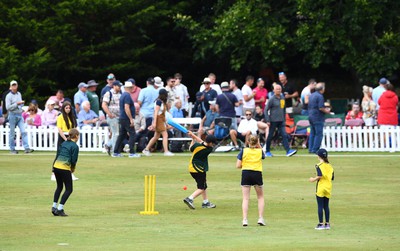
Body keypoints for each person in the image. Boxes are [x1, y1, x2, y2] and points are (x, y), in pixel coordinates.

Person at [236, 135, 266, 227]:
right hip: (257, 173)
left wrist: (244, 165)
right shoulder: (259, 151)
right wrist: (258, 145)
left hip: (246, 173)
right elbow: (263, 155)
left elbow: (238, 165)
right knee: (260, 197)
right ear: (257, 142)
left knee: (245, 198)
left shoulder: (244, 151)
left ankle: (245, 219)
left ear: (248, 142)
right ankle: (260, 218)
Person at [183, 131, 217, 209]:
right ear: (210, 143)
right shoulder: (209, 149)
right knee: (202, 187)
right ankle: (190, 199)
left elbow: (191, 148)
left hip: (192, 168)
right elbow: (201, 141)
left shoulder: (197, 146)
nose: (213, 144)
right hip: (199, 169)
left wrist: (193, 138)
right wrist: (193, 136)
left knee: (203, 185)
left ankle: (206, 202)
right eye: (213, 143)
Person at [51, 128, 80, 217]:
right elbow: (73, 159)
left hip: (56, 166)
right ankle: (60, 208)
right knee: (69, 189)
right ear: (76, 136)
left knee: (59, 187)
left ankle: (54, 207)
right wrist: (73, 168)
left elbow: (58, 154)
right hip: (64, 168)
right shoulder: (75, 146)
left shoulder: (64, 143)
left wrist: (53, 167)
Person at [264, 84, 297, 157]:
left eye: (279, 89)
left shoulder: (282, 98)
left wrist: (284, 118)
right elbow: (266, 109)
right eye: (277, 89)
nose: (279, 90)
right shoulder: (272, 99)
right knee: (270, 136)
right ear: (274, 90)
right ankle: (267, 151)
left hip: (281, 120)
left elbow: (283, 108)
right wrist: (268, 120)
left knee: (284, 135)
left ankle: (288, 151)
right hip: (273, 121)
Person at [142, 89, 174, 156]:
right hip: (158, 120)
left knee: (156, 136)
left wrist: (166, 123)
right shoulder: (158, 102)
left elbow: (163, 114)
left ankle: (146, 149)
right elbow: (156, 113)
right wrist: (154, 123)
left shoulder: (162, 102)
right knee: (165, 135)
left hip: (161, 120)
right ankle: (166, 151)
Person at [5, 80, 34, 154]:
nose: (14, 86)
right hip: (12, 115)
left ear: (17, 86)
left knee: (24, 131)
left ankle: (27, 148)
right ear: (10, 87)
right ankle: (12, 149)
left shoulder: (19, 94)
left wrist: (21, 107)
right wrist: (17, 104)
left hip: (19, 115)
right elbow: (8, 107)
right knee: (12, 133)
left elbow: (20, 104)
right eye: (13, 85)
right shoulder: (8, 96)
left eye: (15, 85)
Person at [112, 81, 140, 158]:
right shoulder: (127, 96)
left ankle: (116, 151)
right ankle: (132, 152)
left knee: (122, 135)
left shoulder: (123, 95)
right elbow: (126, 107)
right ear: (130, 88)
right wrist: (131, 118)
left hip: (122, 117)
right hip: (126, 118)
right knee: (132, 134)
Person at [309, 148, 334, 230]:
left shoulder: (318, 165)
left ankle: (320, 224)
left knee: (320, 206)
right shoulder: (330, 166)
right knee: (326, 206)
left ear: (319, 156)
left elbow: (320, 175)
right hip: (328, 187)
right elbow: (332, 177)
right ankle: (327, 223)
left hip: (321, 187)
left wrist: (313, 179)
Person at [53, 101, 78, 181]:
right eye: (66, 108)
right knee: (59, 154)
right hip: (63, 137)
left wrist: (73, 138)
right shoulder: (60, 117)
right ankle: (54, 173)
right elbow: (60, 129)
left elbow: (74, 128)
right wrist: (65, 139)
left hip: (70, 136)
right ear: (63, 109)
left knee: (70, 155)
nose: (68, 110)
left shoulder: (72, 117)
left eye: (69, 108)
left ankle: (70, 172)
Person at [308, 82, 330, 153]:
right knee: (318, 134)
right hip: (317, 116)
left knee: (312, 133)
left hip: (310, 115)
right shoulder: (320, 96)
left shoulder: (311, 95)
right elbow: (321, 108)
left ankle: (310, 149)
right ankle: (315, 149)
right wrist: (327, 111)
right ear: (322, 89)